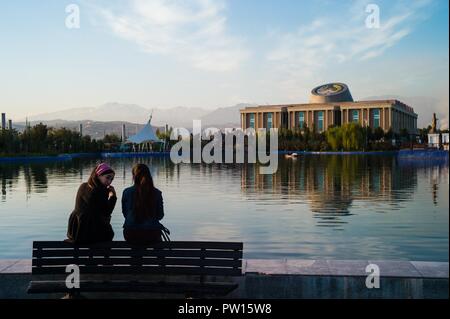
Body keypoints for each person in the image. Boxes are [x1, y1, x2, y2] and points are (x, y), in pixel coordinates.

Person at [66, 163, 117, 244]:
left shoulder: (83, 186)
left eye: (111, 179)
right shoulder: (98, 191)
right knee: (109, 234)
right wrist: (113, 197)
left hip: (76, 230)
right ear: (98, 176)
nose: (109, 182)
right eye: (107, 178)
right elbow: (106, 212)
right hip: (89, 232)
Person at [122, 163, 164, 244]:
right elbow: (160, 215)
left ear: (134, 177)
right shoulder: (157, 193)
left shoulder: (126, 192)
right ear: (149, 176)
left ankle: (136, 256)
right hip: (152, 234)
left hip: (131, 233)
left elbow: (125, 214)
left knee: (136, 252)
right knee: (159, 247)